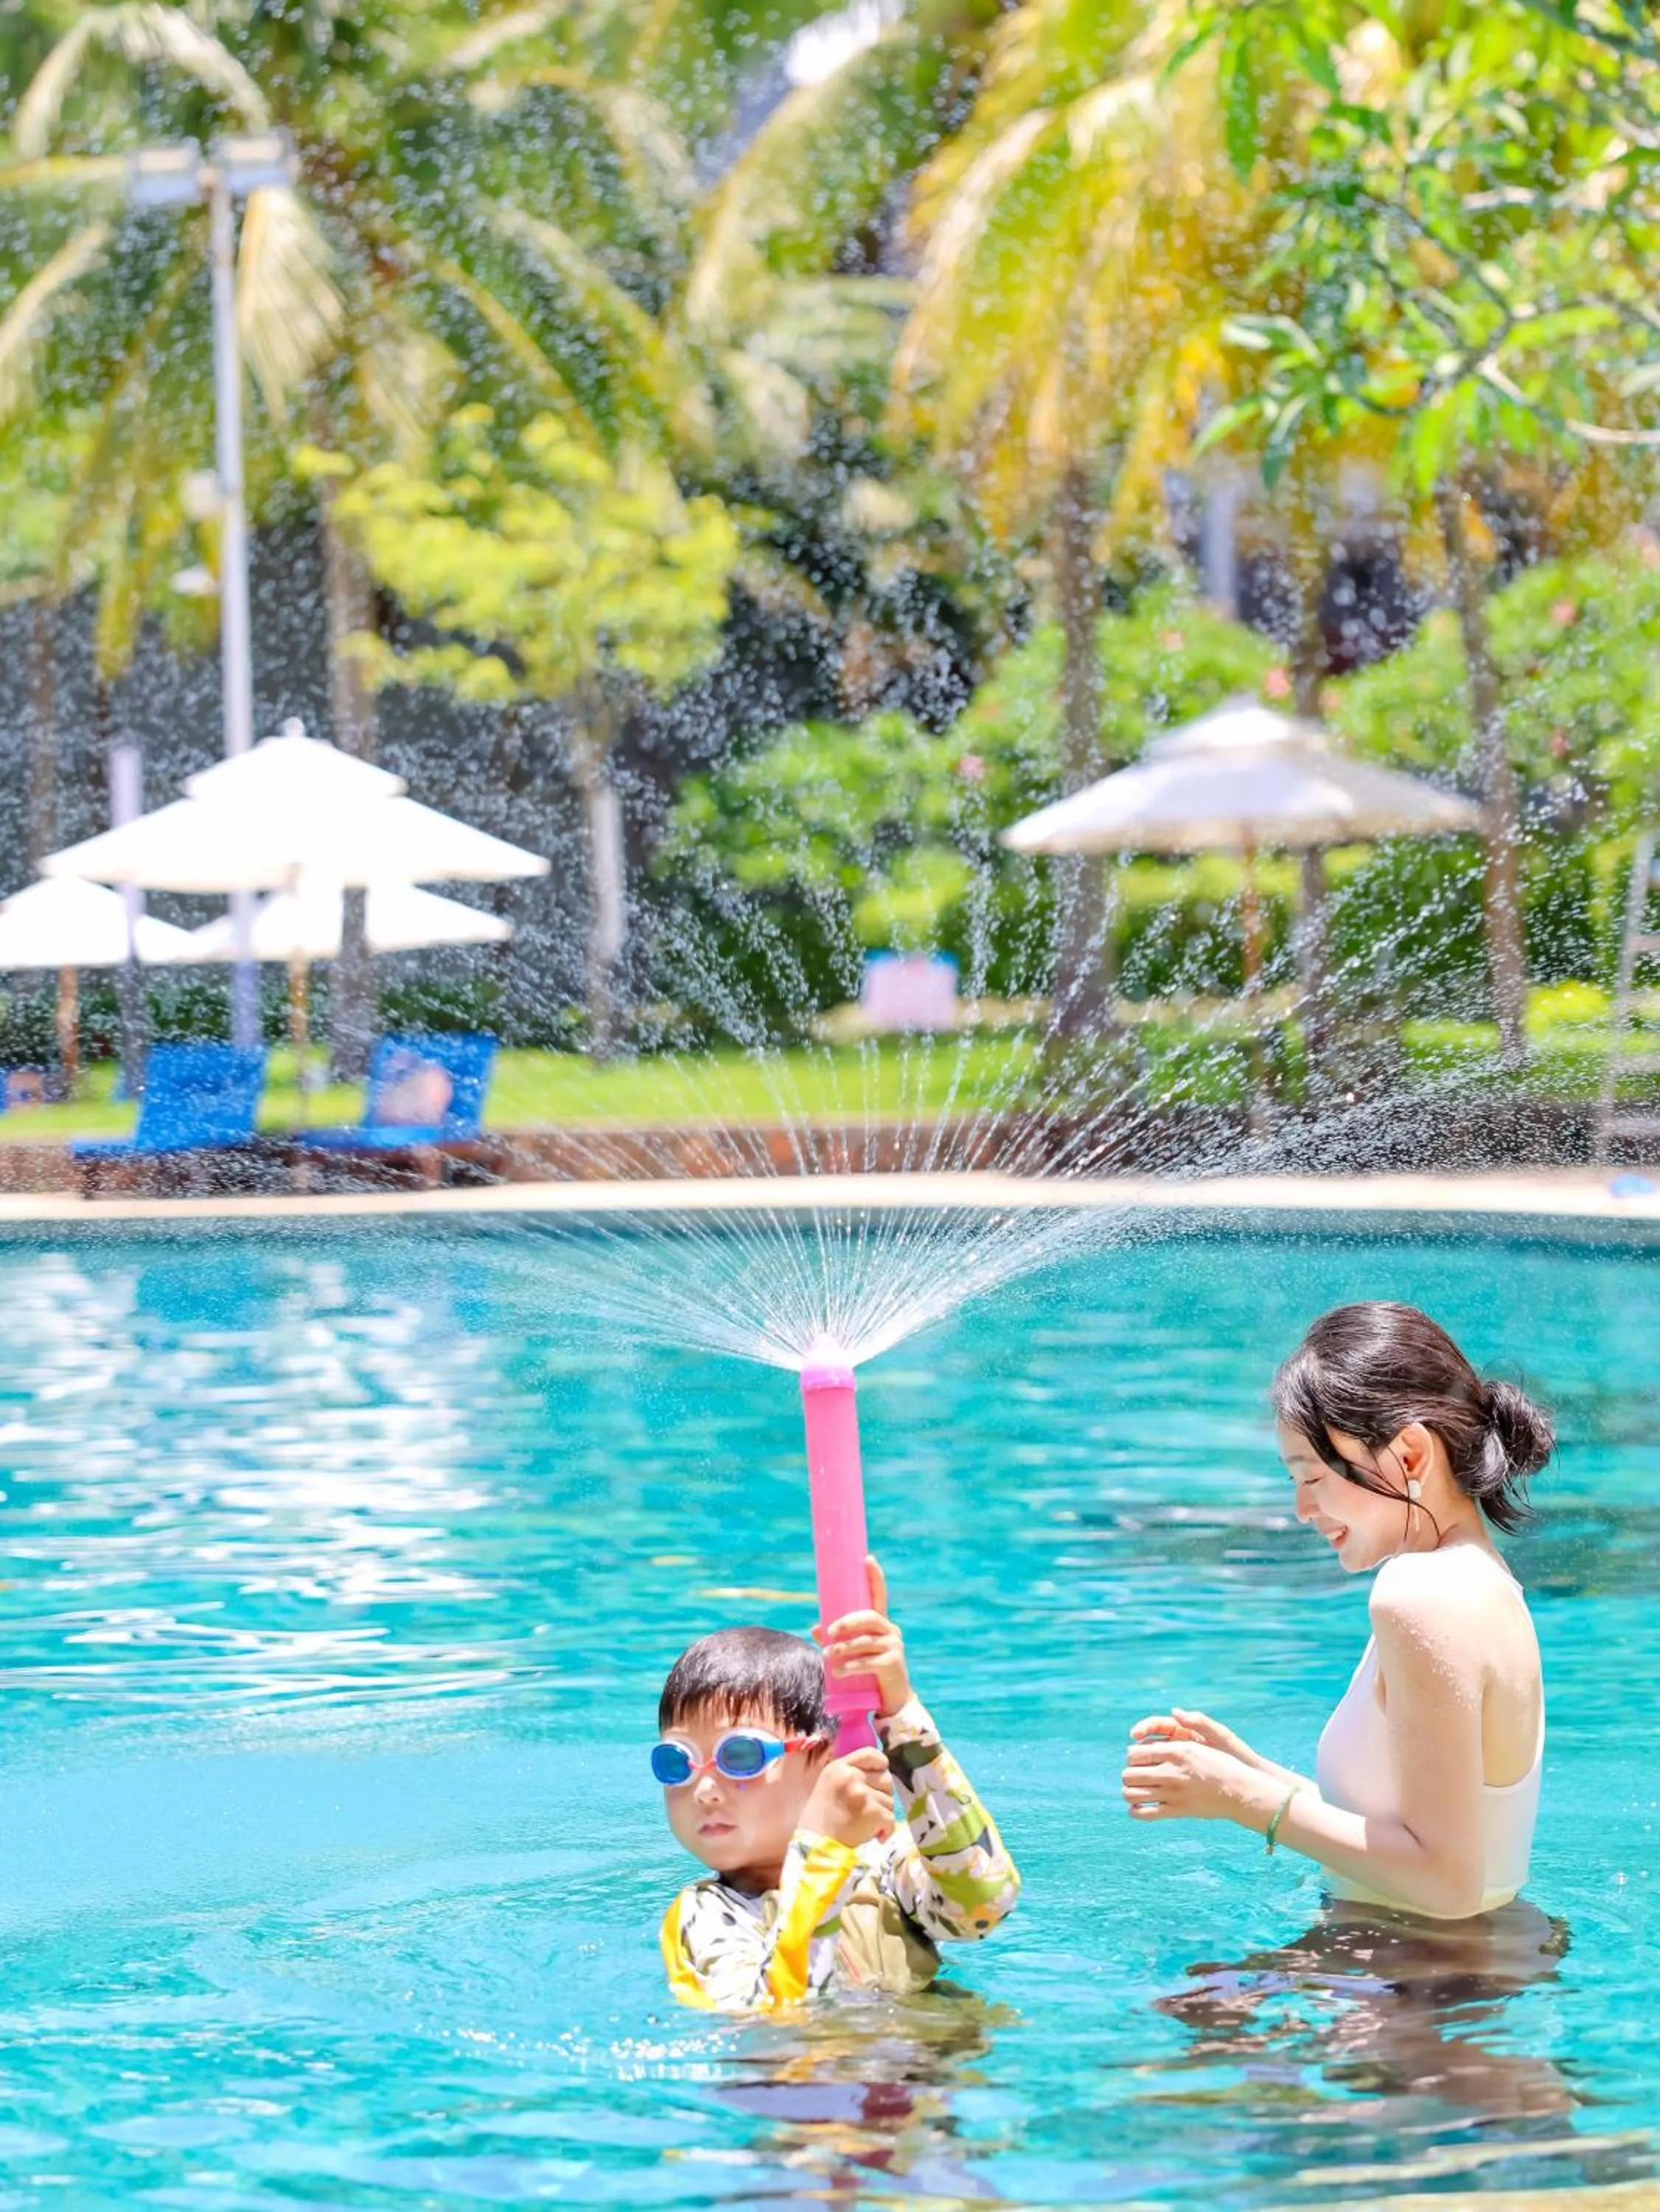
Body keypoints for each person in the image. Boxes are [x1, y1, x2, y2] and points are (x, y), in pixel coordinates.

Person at [1122, 1302, 1553, 1920]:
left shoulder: (1422, 1597)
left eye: (1313, 1477)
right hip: (1462, 1960)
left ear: (1411, 1456)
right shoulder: (1477, 1580)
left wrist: (1242, 1797)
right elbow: (1406, 1830)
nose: (1302, 1510)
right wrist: (1247, 1772)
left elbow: (1446, 1883)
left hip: (1418, 1968)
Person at [655, 1558, 1020, 2010]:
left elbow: (984, 1903)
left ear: (826, 1760)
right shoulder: (703, 1916)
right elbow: (778, 2017)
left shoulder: (883, 1864)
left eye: (740, 1756)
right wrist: (819, 1853)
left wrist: (899, 1712)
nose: (704, 1790)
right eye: (676, 1763)